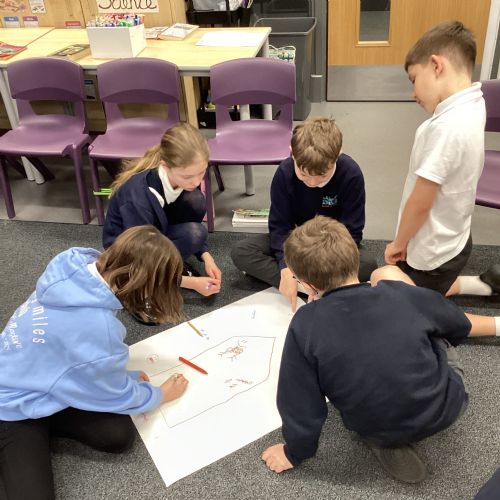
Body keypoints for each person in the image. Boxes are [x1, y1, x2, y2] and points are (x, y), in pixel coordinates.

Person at [261, 216, 483, 483]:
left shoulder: (304, 323)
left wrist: (294, 453)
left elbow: (299, 401)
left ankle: (386, 438)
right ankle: (403, 417)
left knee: (339, 368)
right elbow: (458, 325)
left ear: (308, 285)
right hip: (448, 407)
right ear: (356, 261)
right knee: (431, 330)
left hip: (373, 425)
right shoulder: (400, 293)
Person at [0, 226, 189, 500]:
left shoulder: (77, 264)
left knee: (117, 435)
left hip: (43, 382)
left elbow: (78, 355)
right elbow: (113, 388)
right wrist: (160, 394)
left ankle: (43, 422)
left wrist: (127, 376)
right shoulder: (99, 328)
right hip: (9, 405)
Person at [370, 21, 500, 335]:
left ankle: (494, 325)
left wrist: (399, 243)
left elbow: (421, 202)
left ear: (436, 66)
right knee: (418, 290)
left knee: (404, 311)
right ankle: (478, 285)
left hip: (432, 253)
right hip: (453, 240)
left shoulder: (447, 127)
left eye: (414, 80)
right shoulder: (474, 100)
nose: (413, 93)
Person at [231, 117, 377, 311]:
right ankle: (318, 286)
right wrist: (285, 268)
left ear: (338, 155)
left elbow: (352, 232)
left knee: (368, 264)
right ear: (292, 153)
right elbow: (279, 227)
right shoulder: (284, 173)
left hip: (332, 244)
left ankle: (302, 285)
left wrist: (325, 258)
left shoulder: (351, 173)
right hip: (296, 240)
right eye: (304, 174)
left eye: (322, 175)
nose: (313, 183)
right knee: (241, 252)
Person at [103, 123, 222, 298]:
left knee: (195, 202)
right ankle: (155, 281)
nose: (196, 182)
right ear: (165, 166)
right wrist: (188, 282)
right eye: (188, 176)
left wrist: (206, 257)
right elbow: (139, 256)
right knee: (194, 232)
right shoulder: (138, 199)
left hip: (154, 230)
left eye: (201, 172)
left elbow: (180, 215)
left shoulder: (182, 177)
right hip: (127, 254)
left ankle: (169, 266)